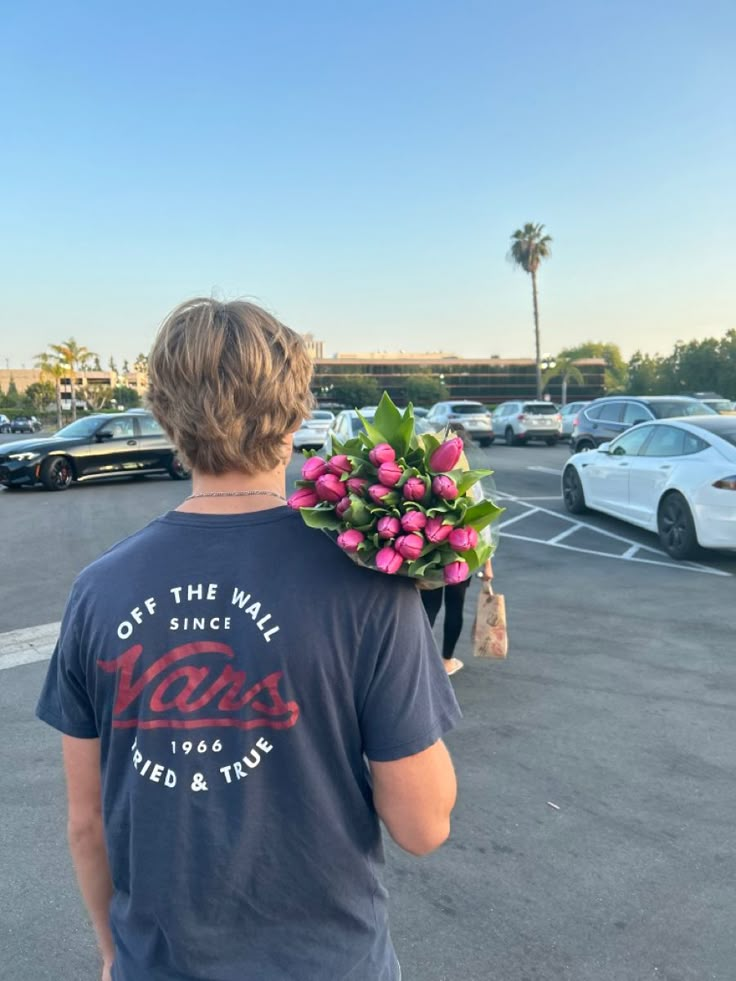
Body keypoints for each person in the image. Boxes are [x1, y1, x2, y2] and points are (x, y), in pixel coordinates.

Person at [36, 298, 461, 981]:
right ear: (296, 415)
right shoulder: (370, 588)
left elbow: (86, 823)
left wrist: (113, 954)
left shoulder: (97, 589)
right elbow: (423, 824)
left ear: (165, 415)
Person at [421, 423, 493, 676]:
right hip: (461, 555)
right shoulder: (469, 479)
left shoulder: (425, 473)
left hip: (430, 553)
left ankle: (420, 661)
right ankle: (446, 660)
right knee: (455, 607)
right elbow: (481, 526)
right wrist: (487, 564)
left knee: (427, 608)